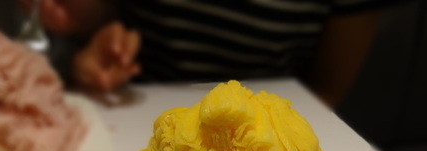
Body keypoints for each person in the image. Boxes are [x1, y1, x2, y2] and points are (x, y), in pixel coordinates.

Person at [33, 0, 399, 107]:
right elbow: (103, 21)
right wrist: (92, 45)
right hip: (130, 112)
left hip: (267, 134)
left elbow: (327, 90)